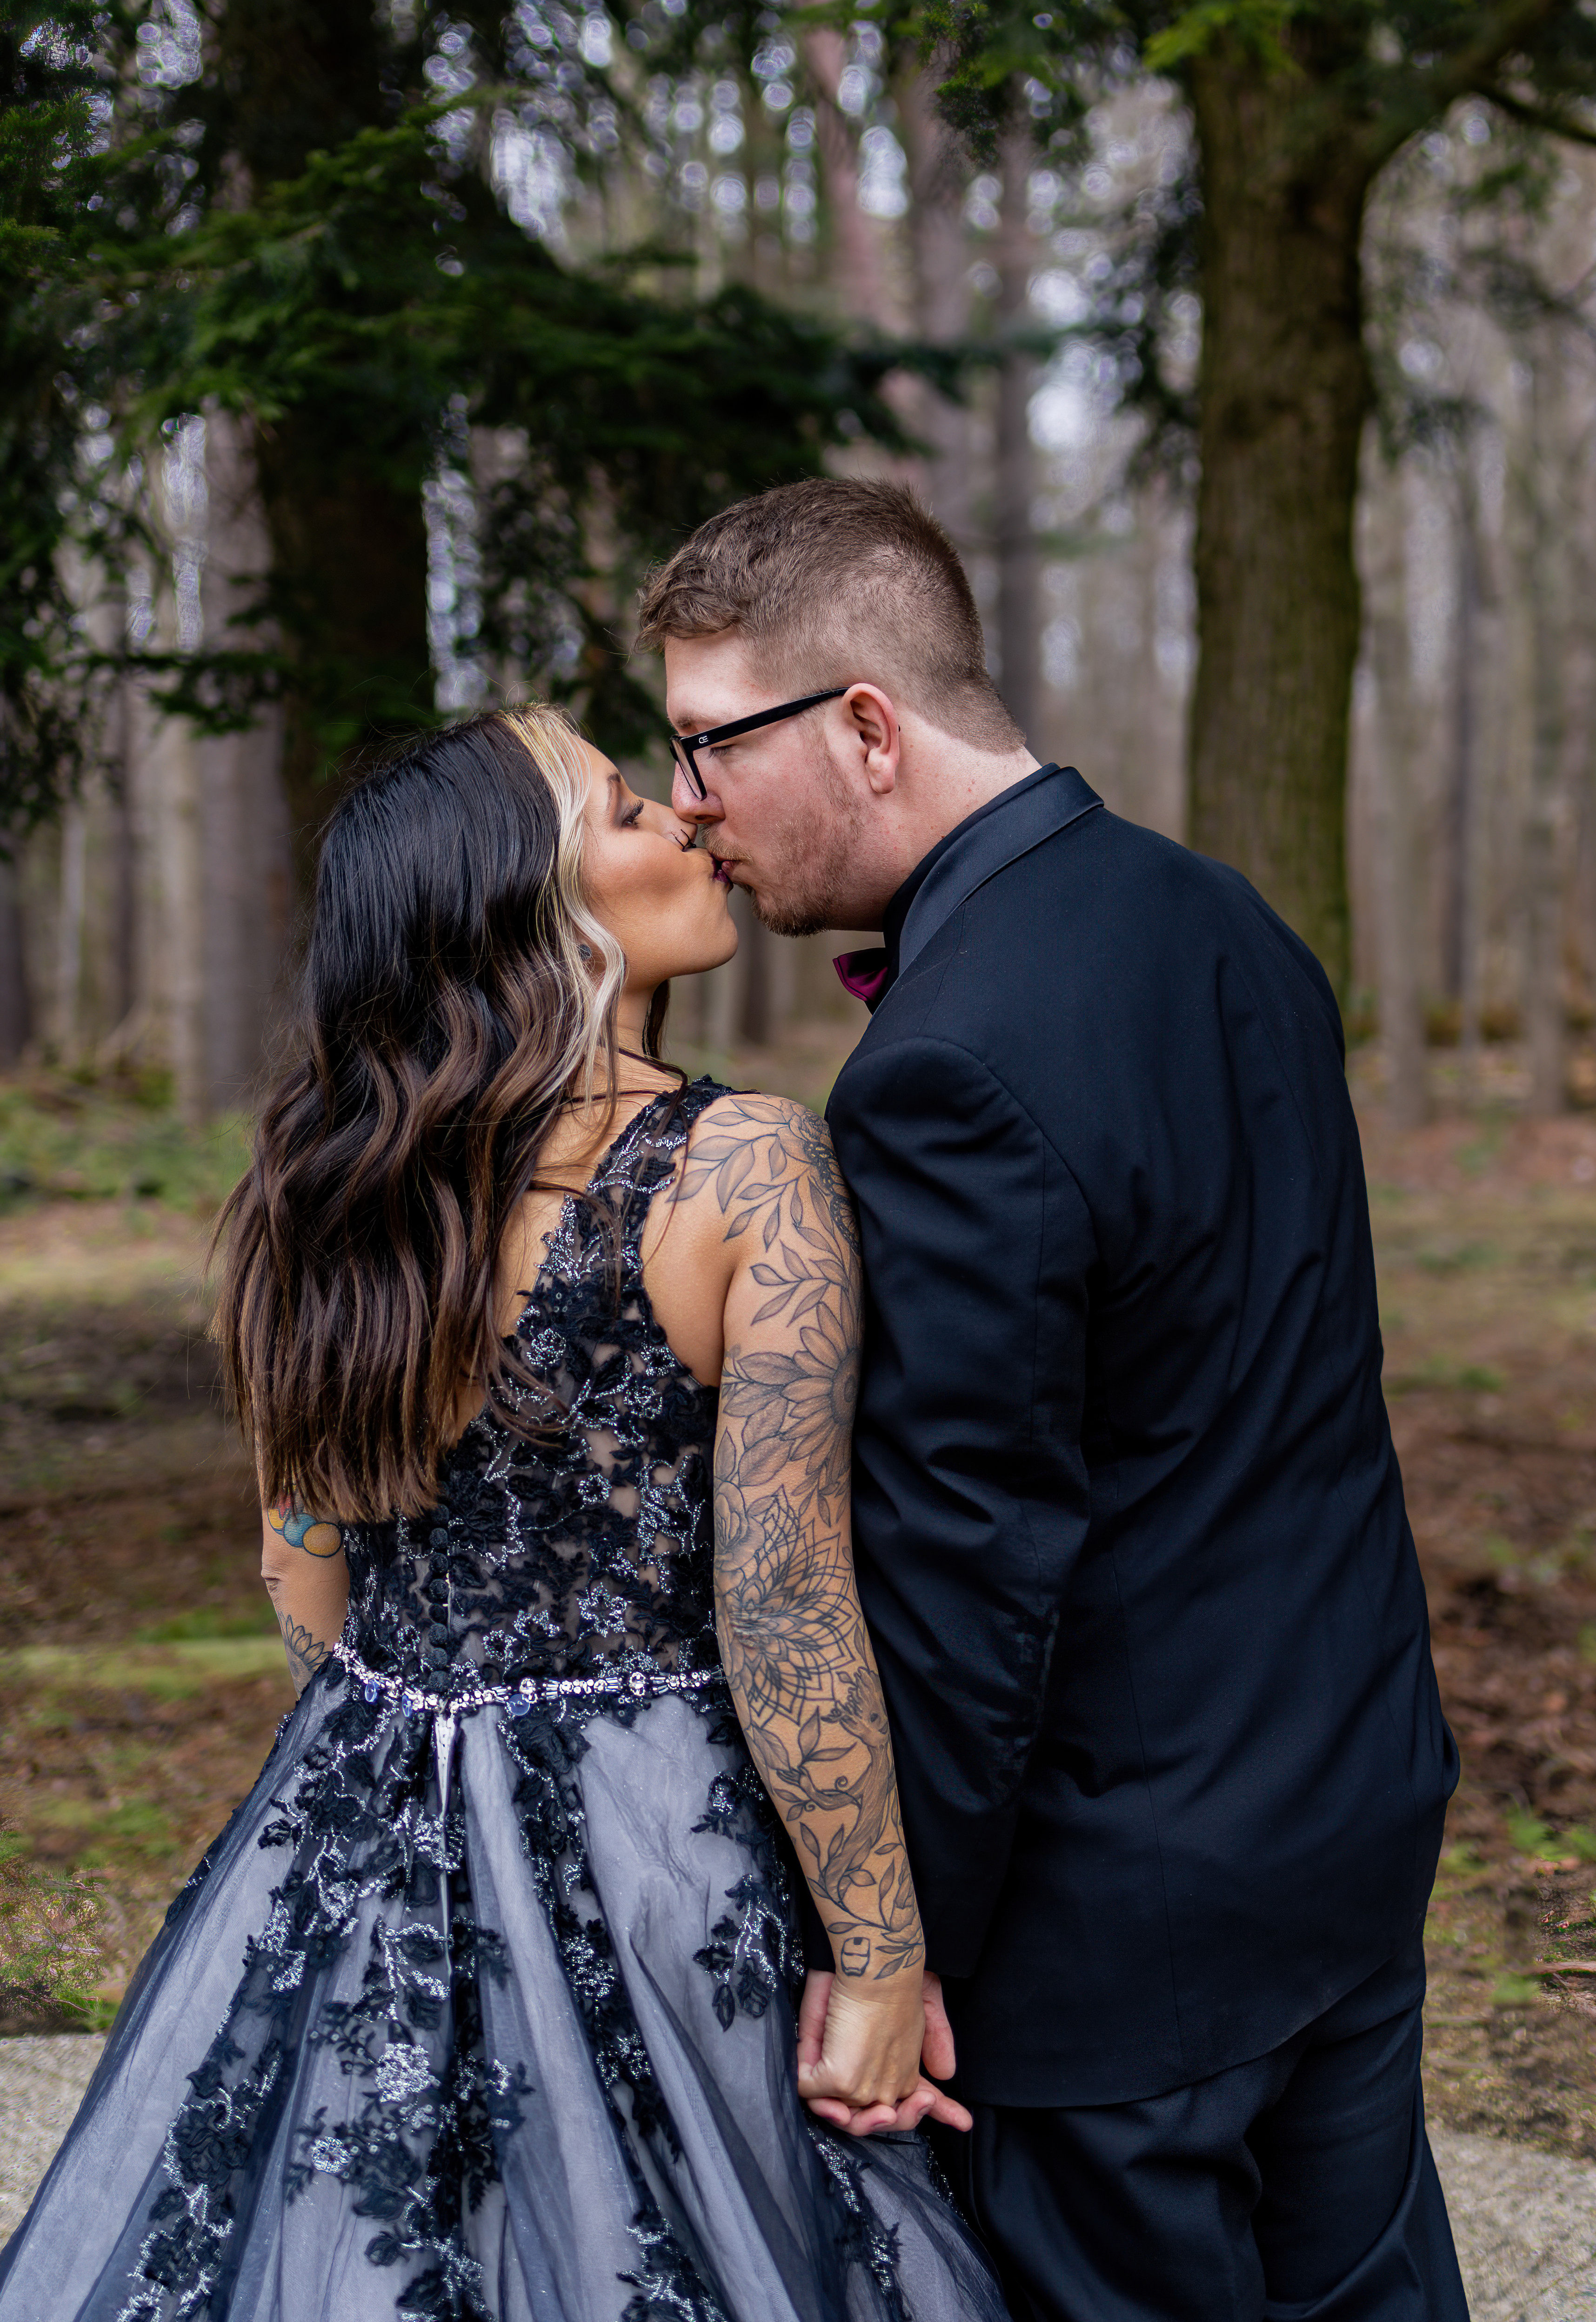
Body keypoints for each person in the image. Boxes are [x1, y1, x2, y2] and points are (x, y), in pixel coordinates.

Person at [0, 705, 1007, 2322]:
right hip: (658, 1834)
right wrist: (883, 1959)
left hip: (355, 1806)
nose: (684, 824)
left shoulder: (326, 1187)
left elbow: (304, 1570)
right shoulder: (745, 1169)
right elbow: (785, 1602)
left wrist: (405, 1756)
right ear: (530, 909)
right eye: (622, 813)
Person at [643, 476, 1469, 2322]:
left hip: (1129, 1926)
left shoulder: (944, 1067)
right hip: (1345, 1812)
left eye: (707, 747)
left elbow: (965, 1562)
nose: (687, 804)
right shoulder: (1228, 920)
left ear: (864, 727)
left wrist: (891, 1941)